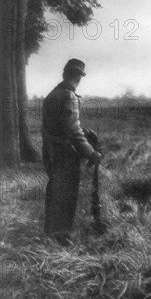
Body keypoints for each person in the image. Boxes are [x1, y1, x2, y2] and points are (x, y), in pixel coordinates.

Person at [42, 59, 102, 245]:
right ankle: (62, 237)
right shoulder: (69, 96)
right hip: (66, 154)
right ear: (77, 76)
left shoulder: (51, 95)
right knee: (67, 194)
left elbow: (56, 126)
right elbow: (73, 131)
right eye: (79, 76)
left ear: (64, 73)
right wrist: (91, 153)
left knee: (55, 190)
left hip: (51, 152)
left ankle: (51, 233)